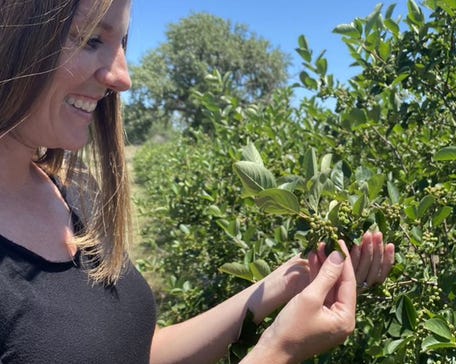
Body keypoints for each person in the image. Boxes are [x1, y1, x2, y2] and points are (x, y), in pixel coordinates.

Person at [0, 0, 396, 363]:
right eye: (89, 39)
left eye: (122, 42)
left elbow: (139, 350)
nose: (123, 77)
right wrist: (278, 351)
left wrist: (290, 280)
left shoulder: (71, 188)